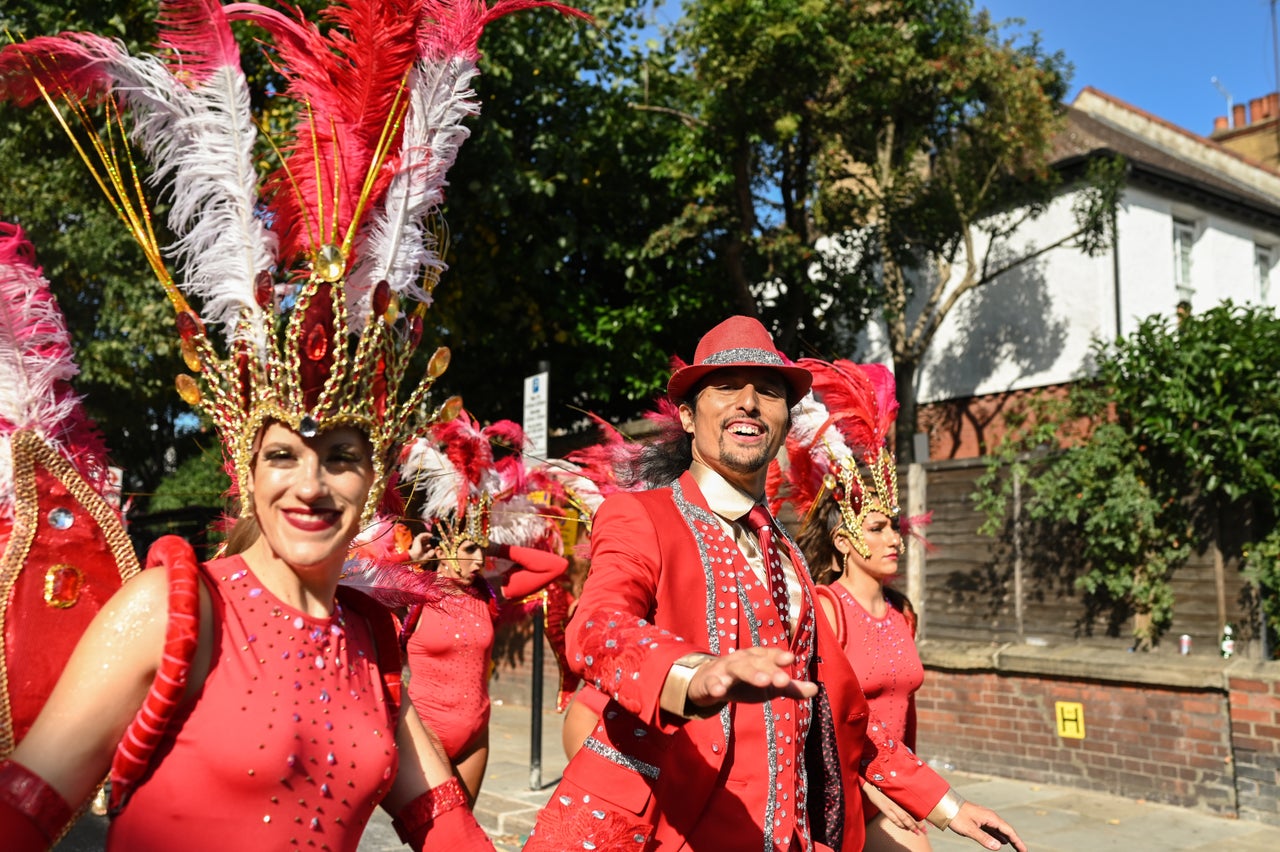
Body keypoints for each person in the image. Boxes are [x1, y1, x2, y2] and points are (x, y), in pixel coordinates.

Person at [0, 1, 587, 847]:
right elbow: (25, 808)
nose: (310, 485)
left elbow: (445, 821)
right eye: (285, 454)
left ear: (373, 472)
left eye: (340, 458)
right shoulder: (174, 609)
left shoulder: (371, 639)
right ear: (249, 460)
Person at [526, 315, 1026, 852]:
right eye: (727, 388)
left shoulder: (784, 552)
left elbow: (844, 709)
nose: (749, 402)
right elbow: (598, 627)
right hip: (665, 831)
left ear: (785, 421)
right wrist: (693, 674)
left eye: (768, 391)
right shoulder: (639, 516)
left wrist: (947, 804)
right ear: (689, 417)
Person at [786, 357, 935, 851]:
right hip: (843, 790)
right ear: (845, 543)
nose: (895, 537)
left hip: (895, 786)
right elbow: (813, 718)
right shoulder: (827, 608)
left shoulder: (902, 612)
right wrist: (866, 787)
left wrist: (912, 789)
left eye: (894, 525)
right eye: (878, 528)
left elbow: (904, 716)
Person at [392, 415, 569, 803]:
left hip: (477, 732)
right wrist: (408, 558)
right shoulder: (414, 592)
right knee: (441, 836)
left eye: (480, 551)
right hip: (426, 732)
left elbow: (556, 566)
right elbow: (360, 583)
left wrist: (492, 547)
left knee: (463, 832)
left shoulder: (489, 591)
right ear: (444, 547)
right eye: (470, 551)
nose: (478, 561)